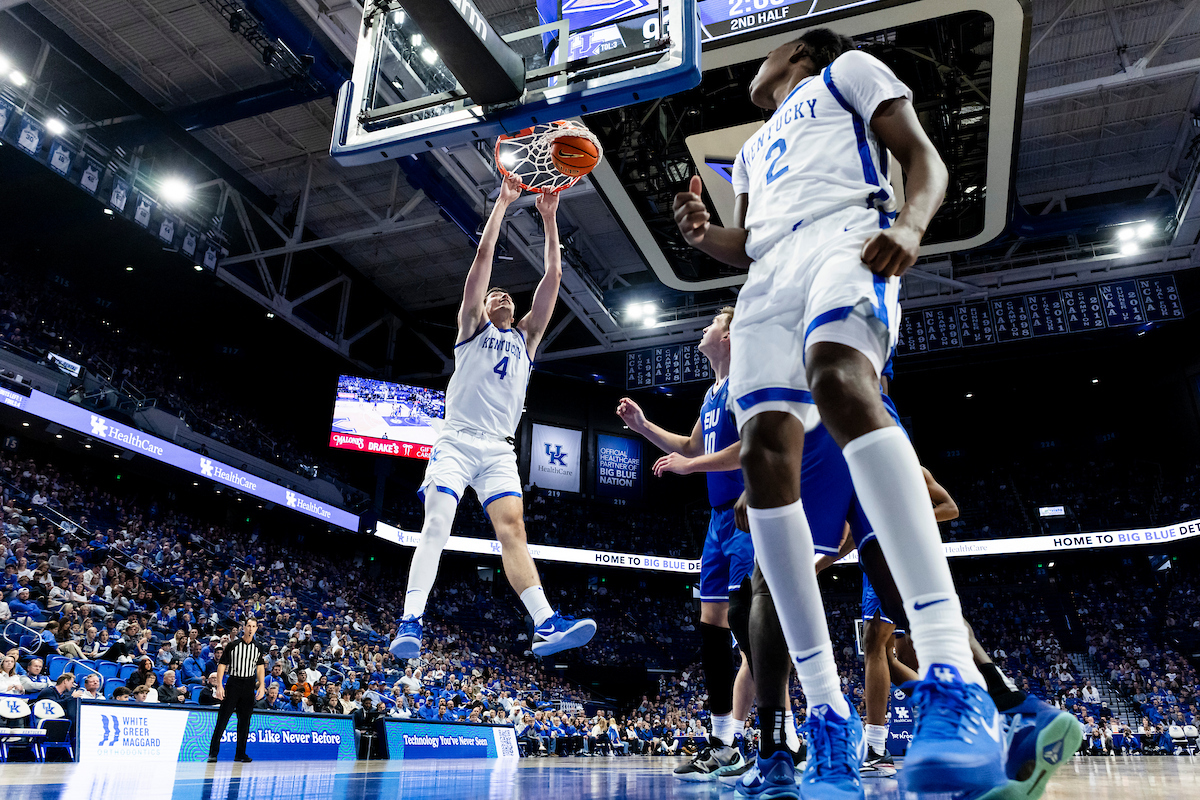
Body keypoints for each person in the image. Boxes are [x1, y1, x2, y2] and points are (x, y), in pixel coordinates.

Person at [673, 28, 1003, 798]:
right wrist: (701, 234)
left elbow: (922, 155)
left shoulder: (844, 72)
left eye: (772, 49)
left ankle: (954, 675)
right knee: (764, 453)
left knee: (840, 377)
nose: (757, 61)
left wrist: (910, 225)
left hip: (844, 236)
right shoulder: (750, 150)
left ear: (803, 53)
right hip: (769, 280)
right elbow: (748, 243)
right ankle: (825, 718)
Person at [390, 175, 594, 659]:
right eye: (493, 295)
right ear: (480, 307)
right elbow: (483, 259)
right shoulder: (471, 328)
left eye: (507, 295)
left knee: (514, 532)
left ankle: (545, 623)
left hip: (499, 450)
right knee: (438, 524)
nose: (501, 295)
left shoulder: (527, 339)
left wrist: (549, 218)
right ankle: (411, 620)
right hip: (458, 440)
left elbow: (554, 277)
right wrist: (503, 203)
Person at [617, 307, 753, 779]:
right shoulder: (712, 393)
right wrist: (643, 427)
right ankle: (722, 742)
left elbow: (750, 448)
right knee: (711, 628)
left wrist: (689, 467)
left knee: (748, 625)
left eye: (712, 322)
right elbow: (692, 447)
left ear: (729, 335)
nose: (704, 328)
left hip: (749, 513)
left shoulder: (745, 382)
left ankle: (785, 737)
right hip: (718, 521)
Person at [206, 617, 266, 763]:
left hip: (249, 684)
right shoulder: (233, 645)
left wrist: (262, 685)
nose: (251, 629)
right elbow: (222, 665)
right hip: (234, 682)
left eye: (253, 626)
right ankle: (213, 753)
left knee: (245, 721)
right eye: (248, 626)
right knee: (223, 718)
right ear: (244, 627)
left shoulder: (258, 647)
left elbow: (260, 667)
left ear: (256, 629)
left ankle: (240, 753)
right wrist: (220, 685)